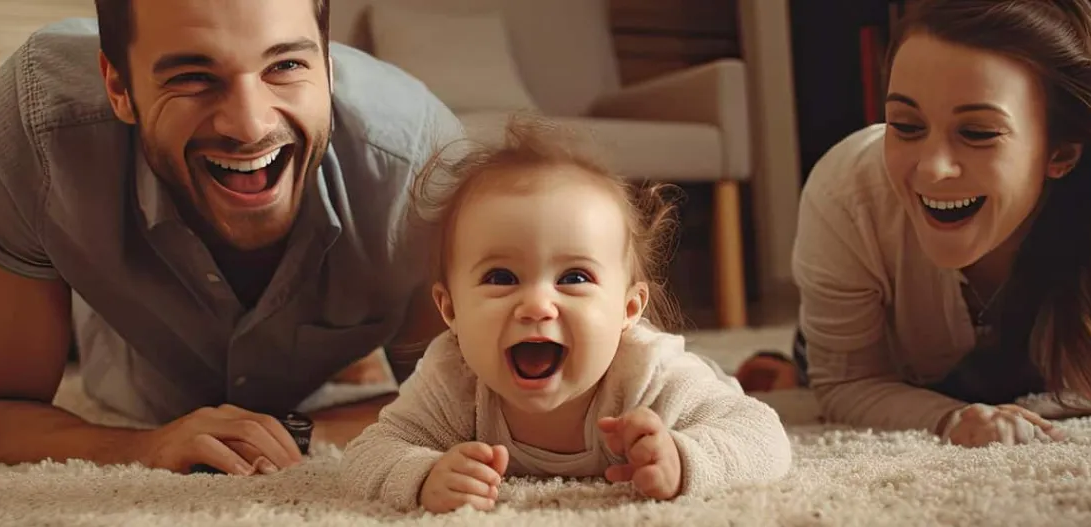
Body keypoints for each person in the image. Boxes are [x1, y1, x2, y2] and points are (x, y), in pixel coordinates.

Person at [0, 0, 463, 477]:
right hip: (132, 358)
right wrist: (143, 446)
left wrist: (289, 434)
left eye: (286, 64)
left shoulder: (422, 169)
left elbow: (480, 406)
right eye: (193, 77)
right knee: (124, 388)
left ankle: (351, 352)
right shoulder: (36, 130)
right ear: (118, 87)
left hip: (370, 262)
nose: (249, 127)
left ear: (329, 66)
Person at [744, 0, 1091, 447]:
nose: (932, 169)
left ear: (1061, 151)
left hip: (1031, 359)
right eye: (906, 126)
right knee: (808, 367)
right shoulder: (845, 191)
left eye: (977, 133)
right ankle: (784, 369)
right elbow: (848, 382)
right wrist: (950, 418)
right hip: (888, 347)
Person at [340, 116, 793, 513]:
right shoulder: (453, 380)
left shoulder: (648, 377)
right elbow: (367, 454)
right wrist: (422, 476)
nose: (537, 305)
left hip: (696, 394)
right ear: (451, 310)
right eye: (501, 277)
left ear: (628, 309)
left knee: (721, 387)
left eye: (574, 278)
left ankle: (764, 373)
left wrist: (684, 457)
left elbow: (765, 438)